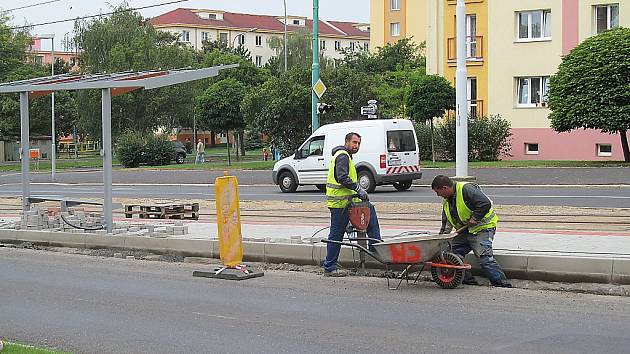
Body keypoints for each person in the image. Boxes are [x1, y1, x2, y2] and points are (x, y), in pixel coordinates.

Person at [431, 175, 512, 288]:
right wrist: (440, 242)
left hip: (482, 228)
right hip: (465, 231)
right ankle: (468, 280)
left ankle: (502, 284)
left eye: (438, 192)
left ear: (445, 188)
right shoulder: (447, 201)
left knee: (484, 257)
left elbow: (485, 203)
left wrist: (475, 218)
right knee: (451, 254)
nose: (438, 195)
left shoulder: (466, 189)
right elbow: (446, 224)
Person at [323, 132, 382, 277]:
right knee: (336, 235)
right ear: (346, 142)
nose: (356, 146)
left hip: (346, 202)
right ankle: (329, 267)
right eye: (354, 142)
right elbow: (342, 177)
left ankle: (375, 245)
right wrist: (358, 189)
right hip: (341, 204)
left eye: (359, 143)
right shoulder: (343, 156)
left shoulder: (344, 156)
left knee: (370, 210)